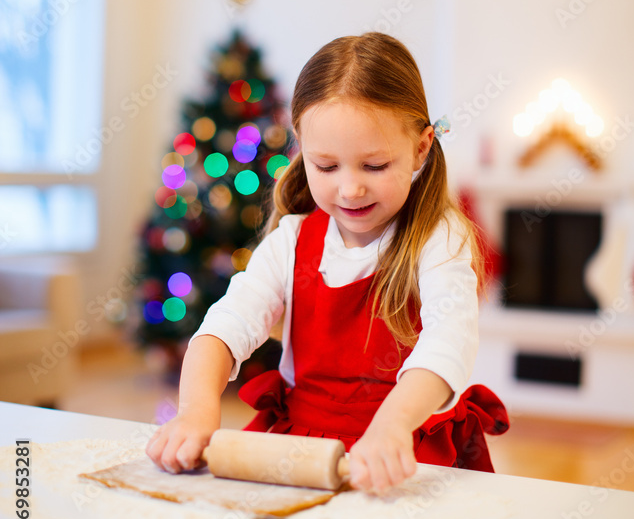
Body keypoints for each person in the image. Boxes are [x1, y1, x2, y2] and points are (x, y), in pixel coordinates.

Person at [146, 32, 508, 493]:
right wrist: (195, 412)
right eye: (326, 166)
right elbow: (224, 328)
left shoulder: (439, 239)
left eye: (374, 166)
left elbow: (449, 343)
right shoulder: (292, 240)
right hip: (303, 448)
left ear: (421, 147)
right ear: (300, 148)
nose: (350, 189)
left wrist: (392, 424)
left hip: (403, 445)